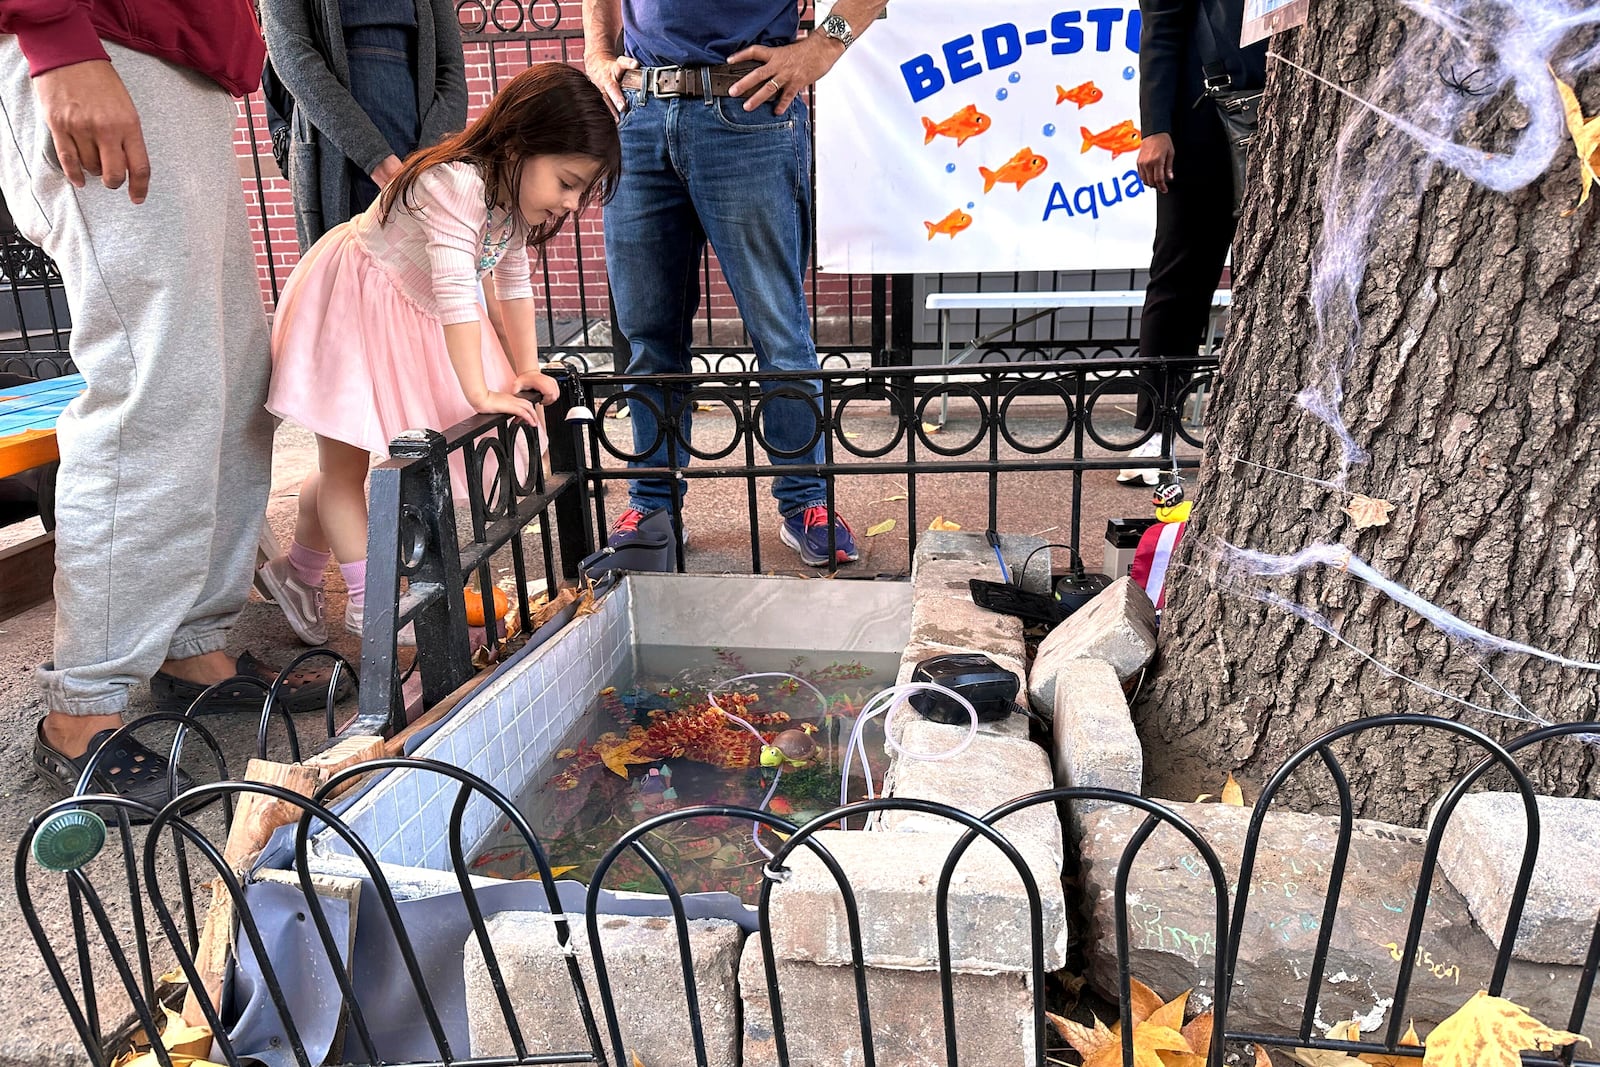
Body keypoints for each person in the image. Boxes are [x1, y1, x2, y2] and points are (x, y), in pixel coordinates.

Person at [0, 0, 347, 808]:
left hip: (169, 51)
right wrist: (51, 37)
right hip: (93, 41)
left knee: (228, 381)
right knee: (153, 382)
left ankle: (192, 645)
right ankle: (81, 710)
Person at [258, 63, 622, 645]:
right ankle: (369, 607)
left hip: (410, 313)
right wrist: (478, 390)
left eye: (582, 190)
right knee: (348, 474)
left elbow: (513, 282)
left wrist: (525, 365)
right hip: (355, 303)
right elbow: (458, 293)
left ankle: (295, 574)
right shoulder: (454, 184)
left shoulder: (509, 200)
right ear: (519, 144)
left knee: (342, 471)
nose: (573, 204)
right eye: (568, 182)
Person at [582, 0, 886, 567]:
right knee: (648, 335)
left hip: (746, 110)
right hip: (640, 113)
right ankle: (653, 511)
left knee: (779, 331)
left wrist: (821, 47)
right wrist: (598, 53)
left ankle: (806, 503)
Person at [1118, 0, 1265, 487]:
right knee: (1180, 279)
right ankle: (1155, 432)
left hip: (1284, 112)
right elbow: (1160, 29)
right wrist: (1155, 128)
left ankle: (1258, 433)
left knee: (1272, 278)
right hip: (1201, 116)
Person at [260, 0, 468, 249]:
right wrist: (377, 159)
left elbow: (451, 68)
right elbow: (291, 55)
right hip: (338, 154)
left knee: (429, 276)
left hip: (419, 148)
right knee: (349, 277)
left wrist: (429, 160)